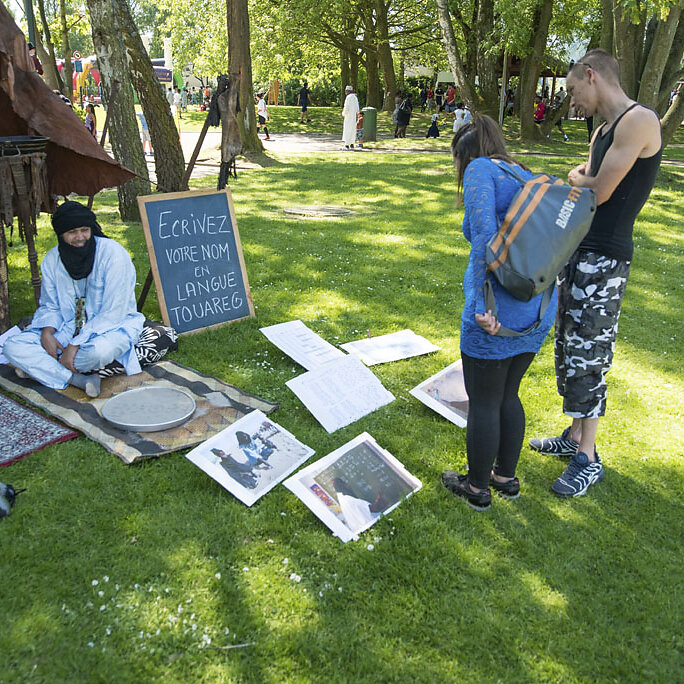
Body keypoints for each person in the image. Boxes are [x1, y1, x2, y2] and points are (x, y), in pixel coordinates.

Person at [529, 49, 662, 497]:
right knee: (570, 348)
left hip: (606, 259)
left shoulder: (639, 121)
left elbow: (599, 190)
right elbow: (587, 180)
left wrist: (578, 177)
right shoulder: (603, 130)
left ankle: (588, 457)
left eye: (572, 90)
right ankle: (573, 437)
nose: (571, 102)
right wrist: (580, 178)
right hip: (579, 251)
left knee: (590, 354)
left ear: (592, 76)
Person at [441, 115, 557, 512]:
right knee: (509, 394)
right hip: (537, 306)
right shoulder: (523, 174)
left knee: (484, 400)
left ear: (465, 154)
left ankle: (476, 487)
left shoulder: (480, 170)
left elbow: (483, 243)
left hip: (498, 307)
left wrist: (480, 306)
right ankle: (505, 477)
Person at [4, 201, 145, 398]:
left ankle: (38, 369)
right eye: (72, 232)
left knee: (98, 352)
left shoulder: (113, 254)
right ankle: (77, 379)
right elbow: (50, 305)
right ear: (61, 234)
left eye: (84, 230)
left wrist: (75, 344)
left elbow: (114, 312)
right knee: (12, 347)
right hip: (67, 327)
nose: (80, 237)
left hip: (109, 327)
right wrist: (47, 332)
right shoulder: (52, 260)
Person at [341, 85, 359, 150]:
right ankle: (352, 143)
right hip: (354, 116)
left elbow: (346, 107)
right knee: (353, 130)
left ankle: (346, 145)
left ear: (347, 91)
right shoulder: (355, 97)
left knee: (347, 130)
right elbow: (357, 108)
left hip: (348, 116)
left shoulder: (348, 97)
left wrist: (343, 113)